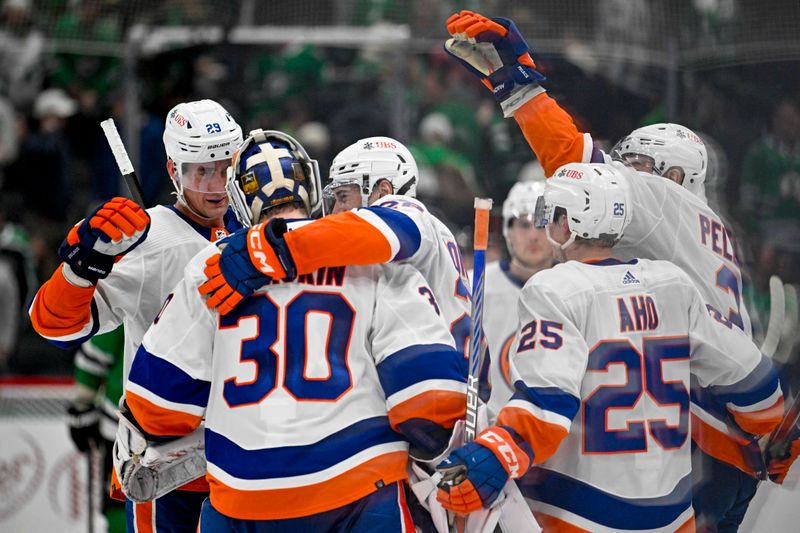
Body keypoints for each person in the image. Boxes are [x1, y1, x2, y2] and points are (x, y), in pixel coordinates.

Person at [442, 11, 779, 529]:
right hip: (728, 442)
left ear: (671, 175)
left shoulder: (662, 206)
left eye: (635, 166)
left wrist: (520, 86)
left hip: (686, 447)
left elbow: (573, 156)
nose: (619, 175)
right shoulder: (707, 229)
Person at [121, 129, 468, 531]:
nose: (340, 204)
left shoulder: (211, 267)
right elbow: (429, 398)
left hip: (242, 501)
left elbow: (156, 406)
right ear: (311, 187)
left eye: (346, 194)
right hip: (358, 493)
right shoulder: (375, 260)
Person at [434, 162, 784, 532]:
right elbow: (757, 390)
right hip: (672, 518)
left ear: (568, 224)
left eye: (553, 215)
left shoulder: (556, 288)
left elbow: (547, 407)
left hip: (580, 515)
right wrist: (759, 426)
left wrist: (492, 456)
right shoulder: (673, 283)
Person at [29, 99, 243, 533]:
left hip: (244, 460)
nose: (218, 183)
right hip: (167, 466)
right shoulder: (150, 240)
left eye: (225, 166)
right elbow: (53, 324)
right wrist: (80, 266)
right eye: (201, 170)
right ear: (173, 171)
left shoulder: (256, 232)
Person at [199, 136, 478, 391]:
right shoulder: (430, 233)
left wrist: (272, 247)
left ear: (383, 190)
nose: (335, 211)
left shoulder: (410, 212)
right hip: (453, 379)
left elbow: (378, 231)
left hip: (442, 384)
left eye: (343, 196)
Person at [483, 180, 554, 418]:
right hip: (490, 429)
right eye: (524, 225)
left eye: (542, 225)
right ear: (508, 232)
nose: (533, 235)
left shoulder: (575, 289)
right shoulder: (475, 286)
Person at [66, 326, 126, 533]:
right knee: (121, 506)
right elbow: (96, 355)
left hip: (186, 430)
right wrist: (83, 404)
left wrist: (83, 406)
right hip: (122, 431)